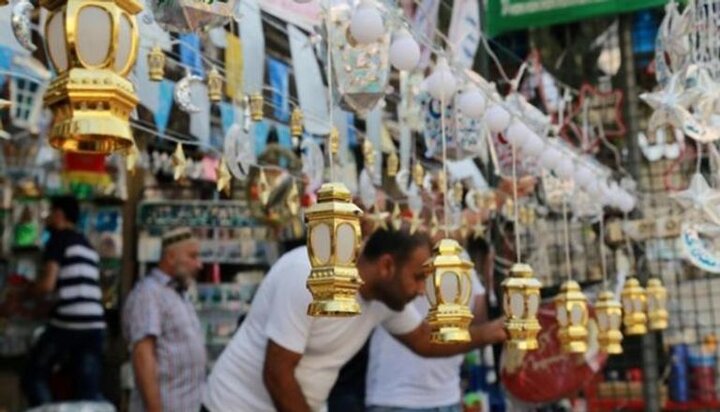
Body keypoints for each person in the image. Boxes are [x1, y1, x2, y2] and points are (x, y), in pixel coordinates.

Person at [202, 228, 507, 412]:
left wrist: (489, 333)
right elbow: (278, 374)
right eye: (417, 278)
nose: (420, 291)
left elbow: (424, 340)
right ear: (387, 265)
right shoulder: (310, 276)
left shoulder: (385, 300)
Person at [365, 238, 493, 412]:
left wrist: (492, 280)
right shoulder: (404, 248)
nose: (421, 290)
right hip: (397, 398)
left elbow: (479, 317)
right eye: (418, 278)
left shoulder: (460, 256)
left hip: (448, 396)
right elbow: (423, 340)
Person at [22, 195, 106, 406]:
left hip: (68, 323)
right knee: (87, 388)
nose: (47, 219)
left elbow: (47, 286)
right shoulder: (87, 245)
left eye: (49, 213)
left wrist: (25, 292)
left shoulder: (58, 239)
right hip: (95, 325)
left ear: (59, 215)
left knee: (34, 375)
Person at [122, 227, 206, 412]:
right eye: (192, 256)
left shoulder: (178, 294)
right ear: (170, 257)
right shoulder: (149, 293)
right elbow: (143, 356)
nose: (199, 264)